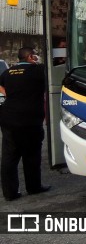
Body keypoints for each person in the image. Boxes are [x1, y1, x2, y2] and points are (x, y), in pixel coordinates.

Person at [0, 47, 51, 201]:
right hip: (30, 120)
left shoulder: (8, 72)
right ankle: (33, 187)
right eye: (35, 55)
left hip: (8, 119)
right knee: (32, 155)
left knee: (9, 157)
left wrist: (9, 95)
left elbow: (1, 88)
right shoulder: (39, 70)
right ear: (30, 57)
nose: (36, 58)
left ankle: (10, 193)